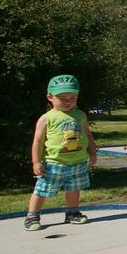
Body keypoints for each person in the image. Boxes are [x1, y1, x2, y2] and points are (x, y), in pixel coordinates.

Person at [26, 74, 98, 231]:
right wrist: (36, 162)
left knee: (74, 189)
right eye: (63, 98)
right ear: (50, 97)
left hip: (78, 162)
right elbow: (37, 141)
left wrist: (92, 152)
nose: (68, 101)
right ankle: (32, 215)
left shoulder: (80, 115)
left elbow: (88, 134)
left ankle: (72, 213)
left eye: (72, 98)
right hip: (54, 164)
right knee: (42, 190)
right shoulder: (47, 118)